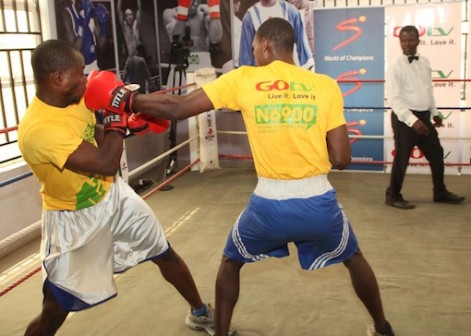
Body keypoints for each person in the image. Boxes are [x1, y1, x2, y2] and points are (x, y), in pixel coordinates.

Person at [85, 17, 395, 336]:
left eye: (253, 48)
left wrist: (125, 98)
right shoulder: (325, 85)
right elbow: (342, 158)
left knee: (231, 262)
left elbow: (177, 108)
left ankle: (220, 333)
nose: (253, 55)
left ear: (265, 46)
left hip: (269, 204)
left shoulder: (245, 78)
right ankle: (383, 328)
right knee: (353, 257)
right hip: (318, 201)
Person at [17, 39, 217, 336]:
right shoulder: (39, 129)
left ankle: (200, 312)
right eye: (79, 74)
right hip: (75, 218)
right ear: (57, 78)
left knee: (163, 251)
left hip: (113, 195)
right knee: (56, 307)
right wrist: (115, 121)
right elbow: (106, 162)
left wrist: (127, 123)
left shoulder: (74, 98)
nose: (85, 79)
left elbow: (89, 132)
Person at [385, 25, 465, 210]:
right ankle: (392, 196)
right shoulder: (395, 66)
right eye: (403, 40)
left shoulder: (425, 62)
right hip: (405, 118)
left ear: (417, 41)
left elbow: (428, 90)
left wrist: (434, 113)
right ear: (400, 42)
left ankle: (440, 192)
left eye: (410, 40)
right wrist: (414, 121)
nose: (407, 44)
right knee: (402, 159)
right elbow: (395, 100)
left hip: (424, 116)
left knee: (437, 154)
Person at [238, 0, 314, 70]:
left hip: (288, 73)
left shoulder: (290, 12)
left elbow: (305, 56)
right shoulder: (250, 17)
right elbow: (245, 62)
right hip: (263, 76)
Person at [60, 0, 107, 74]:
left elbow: (101, 45)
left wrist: (104, 26)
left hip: (94, 68)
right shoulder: (68, 13)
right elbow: (75, 49)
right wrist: (84, 23)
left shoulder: (90, 11)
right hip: (79, 72)